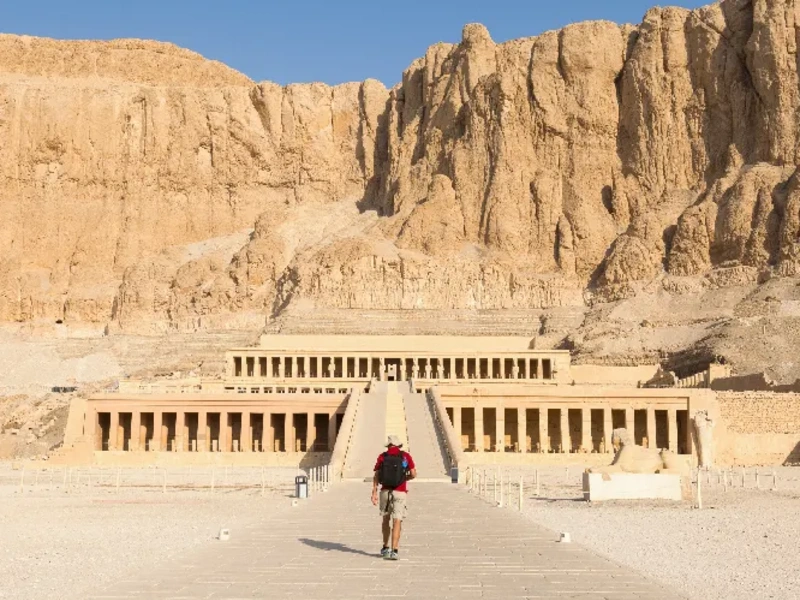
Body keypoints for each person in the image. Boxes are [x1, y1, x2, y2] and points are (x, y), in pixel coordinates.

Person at [371, 434, 416, 560]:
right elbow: (413, 473)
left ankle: (385, 548)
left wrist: (374, 492)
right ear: (399, 445)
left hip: (385, 491)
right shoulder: (405, 456)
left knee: (386, 519)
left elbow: (376, 475)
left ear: (389, 445)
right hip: (400, 491)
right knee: (397, 520)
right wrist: (404, 478)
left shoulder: (382, 456)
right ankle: (394, 550)